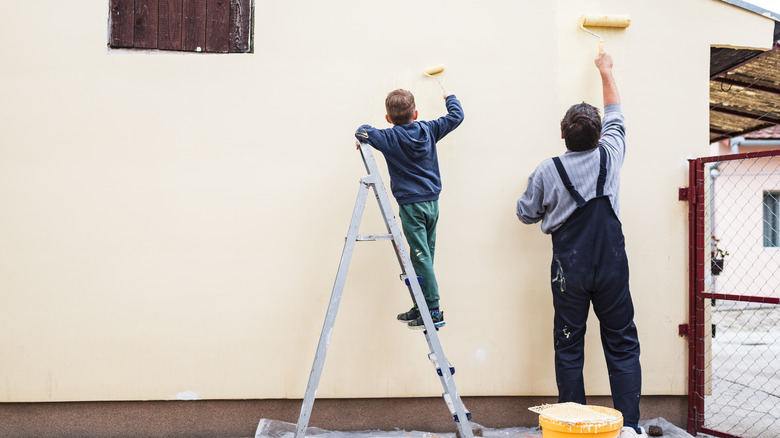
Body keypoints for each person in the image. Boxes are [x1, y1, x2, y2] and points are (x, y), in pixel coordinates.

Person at [515, 52, 645, 438]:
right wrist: (606, 70)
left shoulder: (547, 169)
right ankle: (629, 428)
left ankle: (574, 428)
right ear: (600, 134)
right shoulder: (612, 153)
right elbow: (616, 111)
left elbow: (525, 214)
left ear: (562, 135)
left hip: (568, 272)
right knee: (622, 344)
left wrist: (543, 192)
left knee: (569, 346)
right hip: (611, 266)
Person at [355, 88, 464, 329]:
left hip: (411, 206)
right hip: (432, 203)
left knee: (421, 257)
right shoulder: (429, 129)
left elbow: (362, 130)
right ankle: (422, 306)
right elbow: (457, 116)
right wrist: (450, 98)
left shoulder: (389, 138)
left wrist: (362, 138)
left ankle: (433, 310)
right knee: (425, 256)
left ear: (388, 118)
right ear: (415, 113)